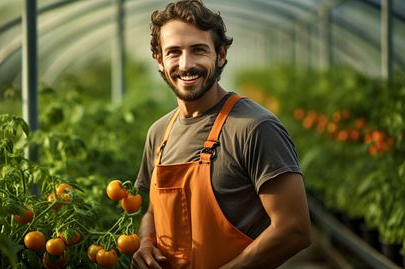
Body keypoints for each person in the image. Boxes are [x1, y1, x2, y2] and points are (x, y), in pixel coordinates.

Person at [131, 1, 311, 268]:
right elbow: (153, 211)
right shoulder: (159, 133)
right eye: (173, 52)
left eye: (198, 50)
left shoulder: (253, 127)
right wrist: (145, 242)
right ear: (159, 60)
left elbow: (294, 229)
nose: (186, 64)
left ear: (221, 54)